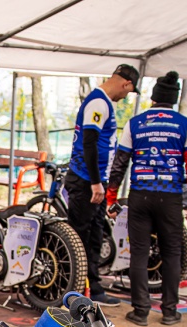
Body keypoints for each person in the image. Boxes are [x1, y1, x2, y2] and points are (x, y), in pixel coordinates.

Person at [105, 71, 187, 327]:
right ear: (174, 99)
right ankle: (169, 311)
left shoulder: (135, 124)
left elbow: (119, 163)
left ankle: (140, 312)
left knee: (139, 252)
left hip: (140, 195)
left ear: (153, 98)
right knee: (172, 253)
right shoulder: (185, 124)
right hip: (170, 198)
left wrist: (111, 197)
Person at [64, 64, 140, 307]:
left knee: (95, 235)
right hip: (86, 180)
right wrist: (96, 182)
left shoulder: (104, 103)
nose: (125, 96)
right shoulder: (98, 102)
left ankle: (93, 288)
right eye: (128, 92)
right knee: (80, 237)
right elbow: (89, 142)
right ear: (126, 83)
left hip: (94, 180)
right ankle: (73, 290)